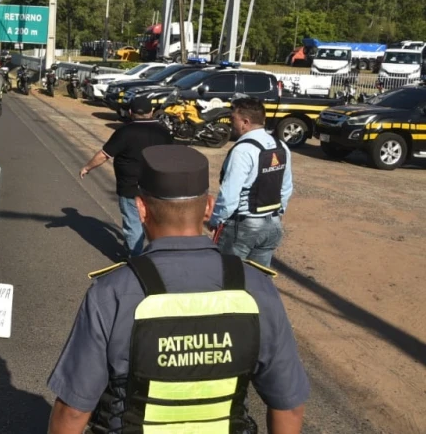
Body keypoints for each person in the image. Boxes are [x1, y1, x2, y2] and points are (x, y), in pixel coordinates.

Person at [48, 145, 309, 434]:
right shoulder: (256, 287)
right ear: (209, 207)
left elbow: (73, 411)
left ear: (142, 209)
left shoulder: (112, 292)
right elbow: (289, 405)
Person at [79, 96, 173, 257]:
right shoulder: (164, 132)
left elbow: (104, 155)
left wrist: (87, 168)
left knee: (133, 224)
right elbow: (172, 158)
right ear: (151, 112)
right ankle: (156, 258)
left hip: (131, 187)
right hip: (157, 187)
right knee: (155, 223)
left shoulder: (125, 131)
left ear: (130, 112)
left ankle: (136, 261)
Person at [208, 97, 293, 269]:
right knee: (259, 283)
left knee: (230, 280)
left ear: (245, 122)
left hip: (243, 227)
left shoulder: (243, 150)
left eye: (233, 119)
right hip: (272, 225)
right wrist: (277, 213)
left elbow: (230, 194)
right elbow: (286, 187)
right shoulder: (281, 146)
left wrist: (216, 219)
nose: (232, 123)